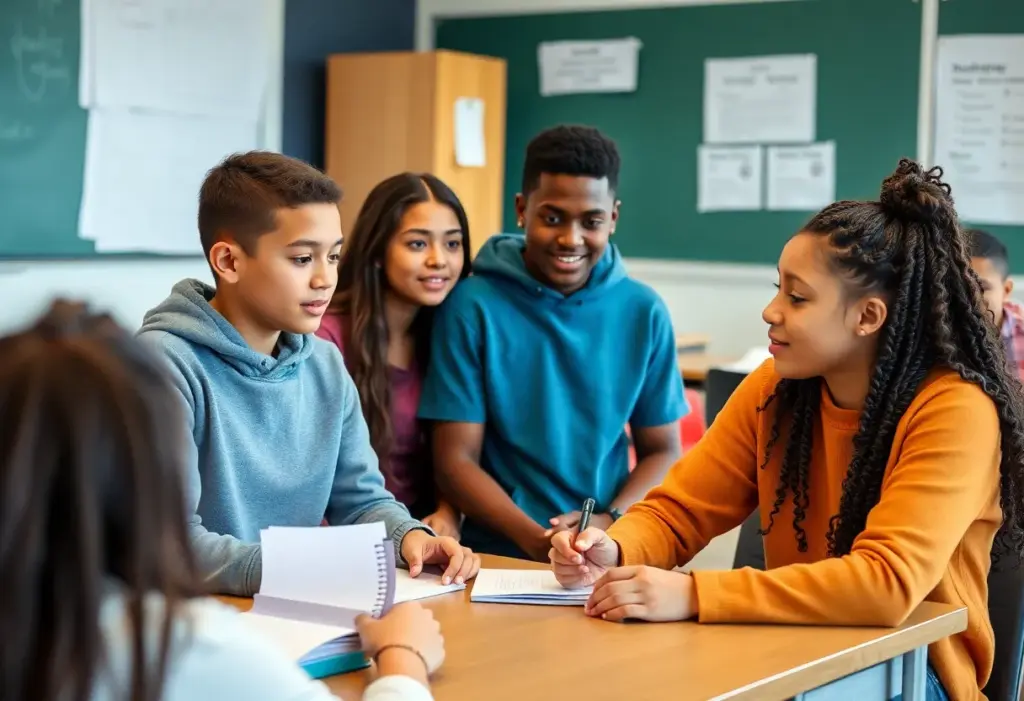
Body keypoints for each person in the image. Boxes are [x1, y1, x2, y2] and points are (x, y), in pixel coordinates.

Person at [550, 160, 1024, 701]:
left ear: (867, 316)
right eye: (779, 289)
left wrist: (694, 594)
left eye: (797, 298)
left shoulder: (955, 408)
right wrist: (614, 547)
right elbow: (680, 510)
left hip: (914, 672)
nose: (770, 312)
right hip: (790, 651)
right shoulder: (776, 386)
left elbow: (886, 583)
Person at [0, 300, 446, 701]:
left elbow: (362, 496)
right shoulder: (180, 650)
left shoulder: (325, 365)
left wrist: (405, 530)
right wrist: (403, 657)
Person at [137, 152, 479, 596]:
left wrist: (410, 538)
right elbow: (167, 543)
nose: (325, 279)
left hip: (296, 607)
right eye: (302, 259)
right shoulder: (162, 368)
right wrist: (300, 567)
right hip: (197, 620)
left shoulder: (323, 363)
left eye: (334, 257)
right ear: (229, 262)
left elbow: (361, 503)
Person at [419, 125, 688, 560]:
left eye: (592, 221)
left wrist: (610, 521)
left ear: (613, 218)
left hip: (605, 550)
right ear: (522, 210)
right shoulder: (472, 305)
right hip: (499, 554)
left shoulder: (643, 310)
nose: (571, 238)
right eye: (553, 217)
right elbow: (455, 461)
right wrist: (535, 540)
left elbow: (663, 450)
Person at [318, 173, 472, 539]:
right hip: (340, 540)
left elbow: (456, 456)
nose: (439, 260)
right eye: (418, 244)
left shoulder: (450, 332)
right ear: (376, 252)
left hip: (415, 540)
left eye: (453, 244)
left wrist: (449, 514)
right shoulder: (325, 338)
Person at [966, 227, 1024, 380]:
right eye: (960, 286)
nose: (968, 297)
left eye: (983, 287)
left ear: (1006, 291)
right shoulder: (936, 333)